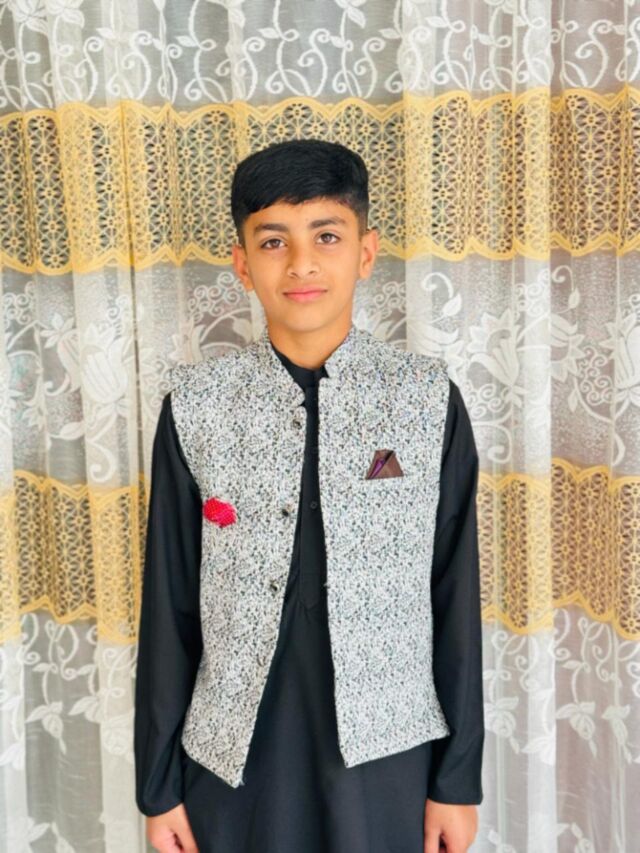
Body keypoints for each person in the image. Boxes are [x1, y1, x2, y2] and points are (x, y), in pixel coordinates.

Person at [134, 139, 484, 853]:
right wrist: (158, 786)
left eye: (326, 236)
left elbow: (455, 592)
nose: (301, 264)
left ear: (364, 252)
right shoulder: (197, 406)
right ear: (242, 263)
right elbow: (168, 604)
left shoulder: (425, 400)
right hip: (233, 759)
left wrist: (456, 780)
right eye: (273, 241)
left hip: (387, 754)